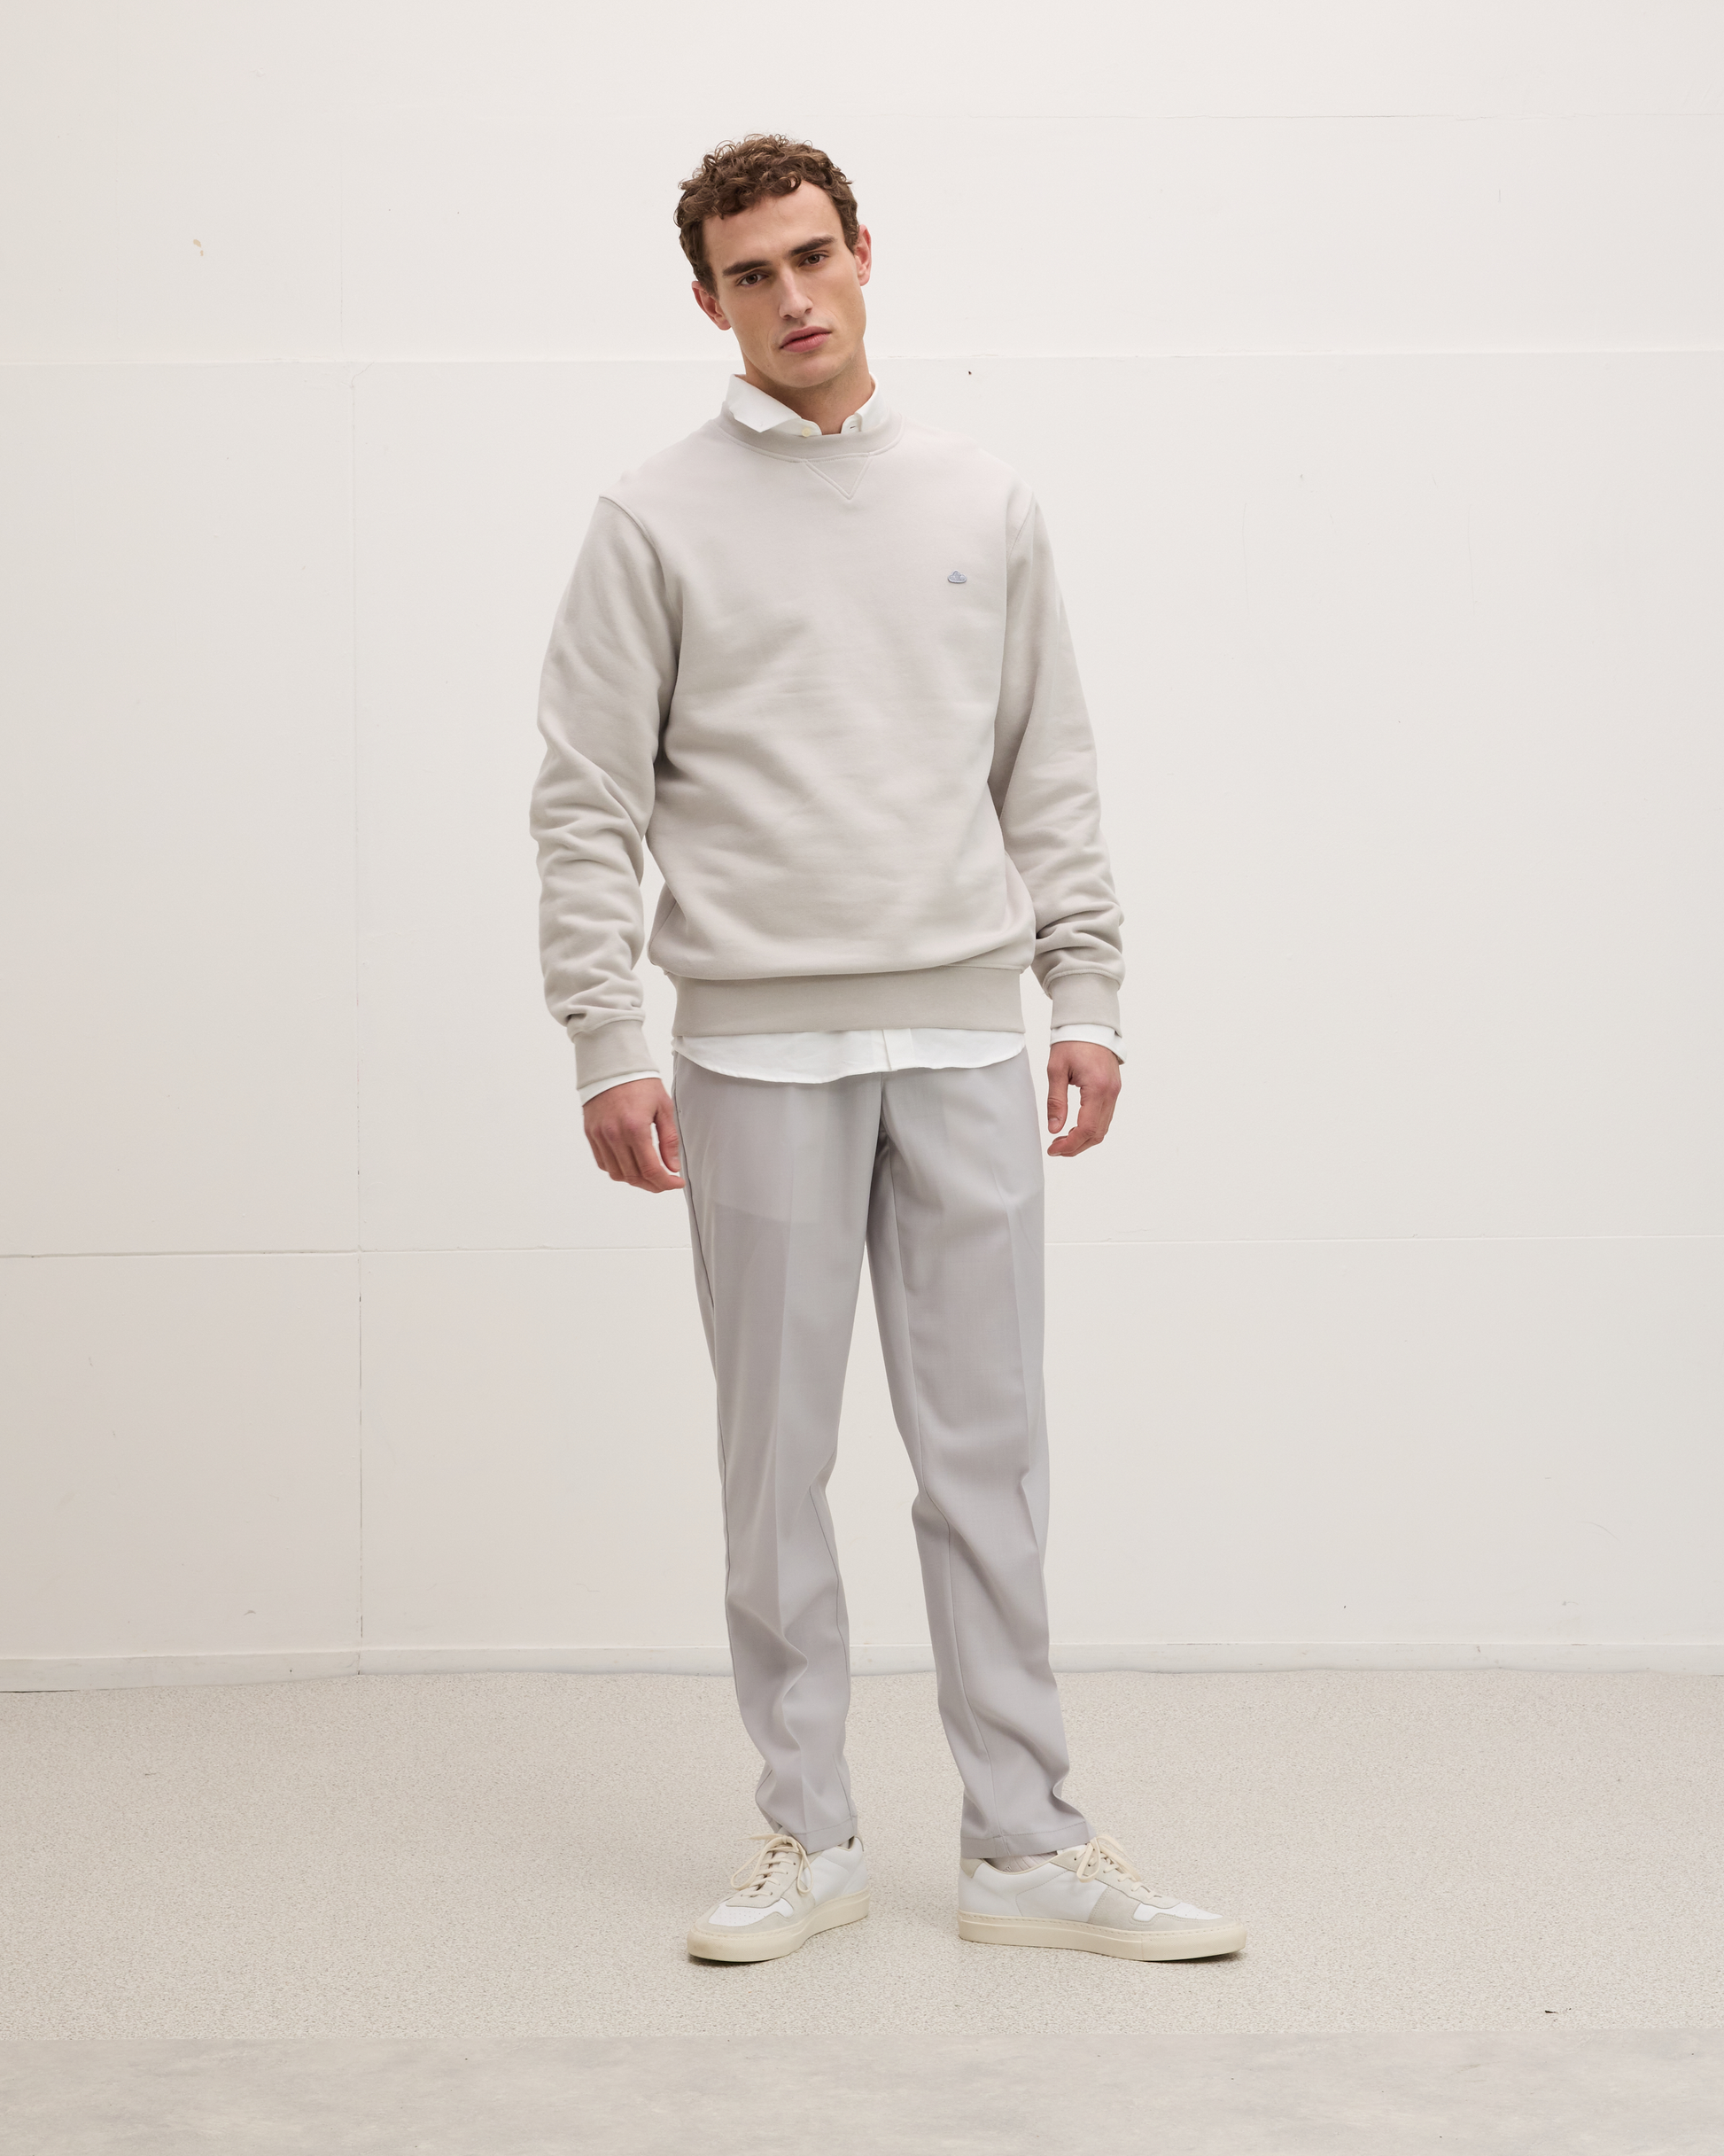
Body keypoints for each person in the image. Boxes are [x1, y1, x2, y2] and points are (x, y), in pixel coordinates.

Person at [531, 135, 1243, 1967]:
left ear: (863, 254)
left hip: (962, 1037)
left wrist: (1085, 995)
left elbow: (1046, 764)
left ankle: (1024, 1844)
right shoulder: (651, 517)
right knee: (774, 1469)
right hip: (752, 1057)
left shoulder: (980, 500)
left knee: (986, 1458)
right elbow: (586, 801)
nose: (791, 296)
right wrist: (607, 1038)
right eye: (750, 273)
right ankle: (809, 1834)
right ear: (707, 300)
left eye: (812, 256)